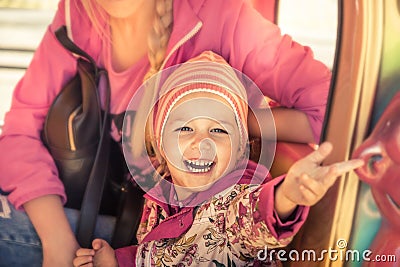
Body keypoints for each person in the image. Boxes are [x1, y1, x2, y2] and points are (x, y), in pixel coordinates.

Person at [0, 0, 331, 266]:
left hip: (172, 229)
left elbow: (330, 108)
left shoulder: (222, 16)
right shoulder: (75, 15)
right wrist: (57, 243)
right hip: (96, 218)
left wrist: (233, 122)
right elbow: (19, 131)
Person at [72, 51, 363, 267]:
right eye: (185, 128)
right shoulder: (164, 190)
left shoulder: (234, 197)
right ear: (162, 145)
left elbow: (252, 218)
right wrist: (117, 260)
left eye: (218, 130)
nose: (202, 142)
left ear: (239, 150)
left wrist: (288, 194)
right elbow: (159, 253)